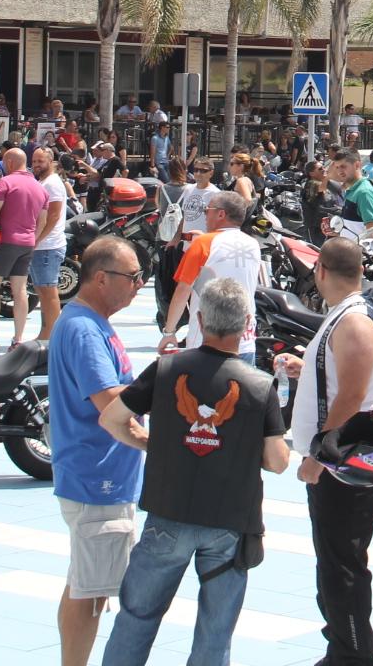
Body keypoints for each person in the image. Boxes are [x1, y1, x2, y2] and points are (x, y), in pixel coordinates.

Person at [99, 278, 289, 666]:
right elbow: (277, 461)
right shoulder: (259, 386)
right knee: (214, 635)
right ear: (247, 324)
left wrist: (150, 443)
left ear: (199, 320)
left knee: (136, 619)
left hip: (168, 514)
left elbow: (112, 419)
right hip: (228, 522)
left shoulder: (167, 369)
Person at [279, 238, 373, 666]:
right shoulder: (345, 315)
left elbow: (353, 396)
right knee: (334, 561)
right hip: (338, 464)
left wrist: (319, 457)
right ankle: (341, 650)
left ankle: (356, 656)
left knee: (342, 565)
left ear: (320, 270)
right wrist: (306, 369)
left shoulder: (354, 321)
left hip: (342, 466)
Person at [49, 238, 146, 666]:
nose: (139, 285)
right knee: (90, 592)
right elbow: (109, 401)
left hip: (99, 474)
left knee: (85, 584)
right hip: (97, 477)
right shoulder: (85, 329)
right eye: (133, 277)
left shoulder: (89, 322)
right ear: (102, 278)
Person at [0, 148, 64, 356]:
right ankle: (17, 340)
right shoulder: (40, 188)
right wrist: (33, 240)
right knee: (20, 291)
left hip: (5, 242)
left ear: (9, 163)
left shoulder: (5, 183)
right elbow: (42, 221)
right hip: (27, 244)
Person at [161, 191, 265, 356]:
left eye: (207, 210)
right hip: (245, 341)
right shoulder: (253, 244)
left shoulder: (203, 244)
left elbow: (183, 291)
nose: (205, 215)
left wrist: (169, 332)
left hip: (206, 343)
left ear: (221, 214)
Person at [31, 146, 73, 341]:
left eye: (40, 161)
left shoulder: (53, 184)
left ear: (51, 161)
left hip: (48, 246)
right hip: (42, 246)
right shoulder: (43, 182)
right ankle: (45, 333)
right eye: (34, 161)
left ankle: (54, 337)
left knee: (49, 293)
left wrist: (37, 239)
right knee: (42, 292)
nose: (36, 165)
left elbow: (54, 216)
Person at [328, 149, 373, 240]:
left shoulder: (364, 192)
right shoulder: (353, 190)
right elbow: (354, 228)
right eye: (337, 167)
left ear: (357, 165)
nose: (339, 171)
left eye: (343, 166)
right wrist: (337, 232)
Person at [178, 159, 218, 236]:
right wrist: (176, 238)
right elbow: (185, 216)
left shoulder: (216, 194)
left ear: (211, 173)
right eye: (196, 170)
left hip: (203, 240)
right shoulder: (188, 189)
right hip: (186, 240)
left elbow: (218, 222)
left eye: (203, 171)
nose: (198, 173)